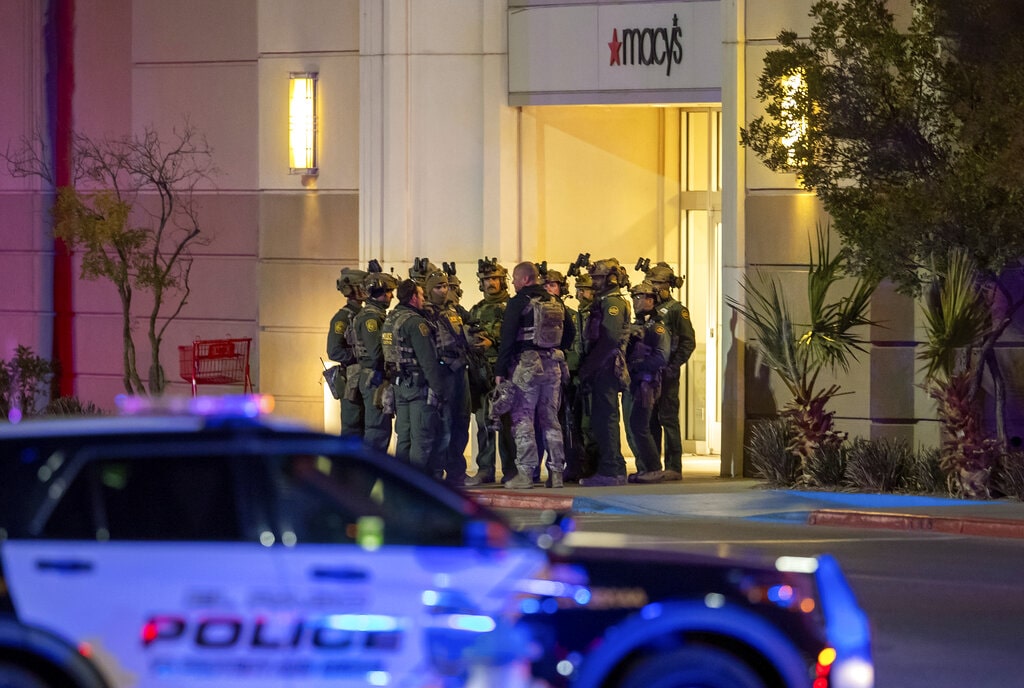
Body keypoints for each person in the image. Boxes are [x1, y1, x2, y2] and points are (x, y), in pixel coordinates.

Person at [494, 262, 575, 489]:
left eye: (515, 279)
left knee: (523, 419)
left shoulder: (518, 302)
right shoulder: (554, 300)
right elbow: (570, 333)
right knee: (550, 419)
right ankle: (556, 473)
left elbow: (507, 339)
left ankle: (526, 474)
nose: (513, 283)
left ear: (525, 279)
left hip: (527, 367)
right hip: (553, 366)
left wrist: (500, 371)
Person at [577, 258, 632, 487]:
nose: (594, 282)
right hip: (601, 365)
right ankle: (612, 467)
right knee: (602, 419)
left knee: (606, 418)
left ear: (610, 278)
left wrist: (588, 368)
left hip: (606, 366)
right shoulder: (603, 301)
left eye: (598, 278)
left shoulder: (612, 303)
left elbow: (609, 339)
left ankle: (611, 470)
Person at [382, 279, 446, 475]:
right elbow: (428, 359)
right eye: (421, 295)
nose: (423, 299)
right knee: (421, 438)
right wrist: (439, 390)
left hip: (399, 386)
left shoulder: (390, 320)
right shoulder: (416, 323)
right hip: (418, 389)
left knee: (404, 438)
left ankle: (401, 485)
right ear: (413, 298)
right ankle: (418, 485)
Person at [465, 258, 517, 485]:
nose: (490, 283)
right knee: (483, 424)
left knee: (508, 425)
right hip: (481, 374)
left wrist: (492, 343)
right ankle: (485, 468)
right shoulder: (475, 310)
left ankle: (511, 470)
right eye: (486, 279)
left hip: (505, 372)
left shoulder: (513, 308)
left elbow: (515, 339)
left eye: (495, 278)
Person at [645, 261, 696, 482]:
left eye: (657, 283)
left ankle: (674, 466)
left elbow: (688, 342)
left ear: (667, 285)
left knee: (668, 418)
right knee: (651, 419)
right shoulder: (649, 308)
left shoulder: (677, 310)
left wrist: (674, 366)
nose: (654, 288)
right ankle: (653, 465)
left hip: (667, 373)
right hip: (651, 373)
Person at [422, 265, 472, 486]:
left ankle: (456, 472)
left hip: (461, 371)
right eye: (439, 287)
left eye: (446, 286)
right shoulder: (424, 314)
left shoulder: (455, 312)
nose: (444, 290)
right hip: (443, 373)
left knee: (461, 422)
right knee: (444, 425)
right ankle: (436, 473)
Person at [622, 280, 671, 482]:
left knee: (640, 425)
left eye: (639, 297)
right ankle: (645, 467)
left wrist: (637, 366)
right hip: (635, 381)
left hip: (646, 383)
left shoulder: (657, 328)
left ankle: (653, 468)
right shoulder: (640, 325)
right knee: (635, 426)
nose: (636, 301)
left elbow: (661, 357)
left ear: (651, 300)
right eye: (634, 298)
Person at [351, 267, 398, 454]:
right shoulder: (371, 318)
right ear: (379, 292)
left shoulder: (377, 315)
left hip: (375, 376)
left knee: (380, 427)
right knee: (377, 428)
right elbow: (376, 352)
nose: (391, 296)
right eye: (388, 292)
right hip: (374, 377)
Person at [326, 267, 367, 437]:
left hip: (364, 380)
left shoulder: (365, 314)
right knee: (352, 428)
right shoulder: (342, 318)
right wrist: (359, 355)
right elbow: (334, 351)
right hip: (351, 381)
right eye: (363, 286)